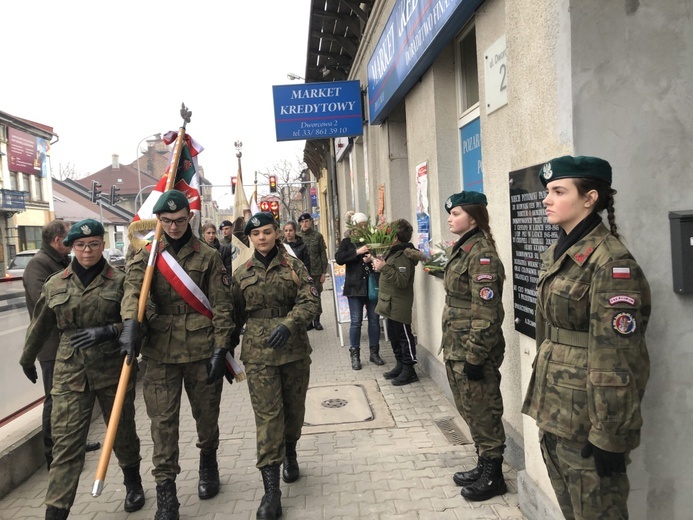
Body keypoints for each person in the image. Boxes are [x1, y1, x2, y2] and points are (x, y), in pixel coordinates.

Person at [522, 156, 651, 520]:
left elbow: (620, 356)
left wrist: (610, 434)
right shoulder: (560, 252)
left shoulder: (610, 263)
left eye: (558, 191)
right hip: (556, 410)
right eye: (547, 191)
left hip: (589, 423)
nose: (546, 199)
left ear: (590, 198)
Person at [19, 219, 144, 520]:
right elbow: (39, 326)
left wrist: (115, 330)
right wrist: (27, 358)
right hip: (70, 371)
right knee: (66, 445)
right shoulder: (56, 283)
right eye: (80, 245)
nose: (87, 251)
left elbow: (132, 310)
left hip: (112, 367)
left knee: (123, 433)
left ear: (102, 245)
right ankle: (56, 511)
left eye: (93, 244)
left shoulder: (120, 279)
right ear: (71, 248)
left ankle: (133, 481)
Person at [120, 190, 234, 519]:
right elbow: (132, 289)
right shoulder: (146, 254)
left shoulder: (209, 256)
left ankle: (208, 463)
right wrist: (131, 322)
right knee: (162, 425)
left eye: (180, 220)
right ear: (157, 221)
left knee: (206, 417)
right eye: (166, 221)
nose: (173, 227)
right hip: (159, 350)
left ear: (190, 218)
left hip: (201, 349)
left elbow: (223, 306)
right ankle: (167, 494)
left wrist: (221, 346)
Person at [230, 212, 318, 520]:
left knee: (293, 412)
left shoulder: (294, 266)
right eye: (256, 234)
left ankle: (290, 451)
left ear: (277, 233)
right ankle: (271, 491)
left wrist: (290, 323)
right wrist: (222, 349)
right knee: (268, 419)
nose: (262, 238)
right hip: (258, 354)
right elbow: (233, 314)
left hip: (293, 350)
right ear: (250, 238)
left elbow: (310, 301)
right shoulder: (241, 273)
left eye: (267, 232)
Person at [441, 191, 508, 501]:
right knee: (470, 409)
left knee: (484, 411)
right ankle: (483, 464)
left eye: (455, 213)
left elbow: (487, 313)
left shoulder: (482, 255)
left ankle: (494, 476)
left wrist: (476, 356)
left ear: (472, 216)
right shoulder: (464, 248)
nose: (450, 218)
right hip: (457, 346)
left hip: (472, 349)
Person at [21, 220, 101, 470]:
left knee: (74, 397)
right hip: (52, 346)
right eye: (70, 240)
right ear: (57, 240)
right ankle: (52, 453)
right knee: (54, 400)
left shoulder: (59, 261)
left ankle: (74, 443)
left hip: (71, 344)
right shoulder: (38, 265)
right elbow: (47, 304)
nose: (73, 246)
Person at [371, 219, 425, 386]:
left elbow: (401, 281)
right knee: (394, 337)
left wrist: (384, 268)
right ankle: (400, 364)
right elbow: (389, 272)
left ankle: (410, 370)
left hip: (398, 303)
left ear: (395, 236)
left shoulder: (403, 255)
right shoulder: (394, 251)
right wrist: (380, 266)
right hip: (389, 302)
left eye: (388, 232)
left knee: (404, 337)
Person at [334, 211, 384, 370]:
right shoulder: (347, 241)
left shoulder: (372, 239)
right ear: (354, 226)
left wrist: (372, 259)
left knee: (374, 321)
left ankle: (374, 352)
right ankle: (354, 355)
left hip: (371, 286)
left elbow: (382, 256)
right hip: (355, 287)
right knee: (356, 322)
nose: (363, 227)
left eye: (365, 224)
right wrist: (357, 252)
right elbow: (339, 258)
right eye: (360, 225)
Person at [297, 212, 328, 330]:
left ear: (310, 222)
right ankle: (308, 321)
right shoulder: (297, 237)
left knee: (316, 296)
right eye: (302, 222)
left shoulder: (318, 236)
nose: (304, 224)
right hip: (303, 273)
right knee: (305, 297)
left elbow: (322, 254)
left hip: (316, 272)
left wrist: (323, 272)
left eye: (307, 221)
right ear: (300, 223)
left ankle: (317, 320)